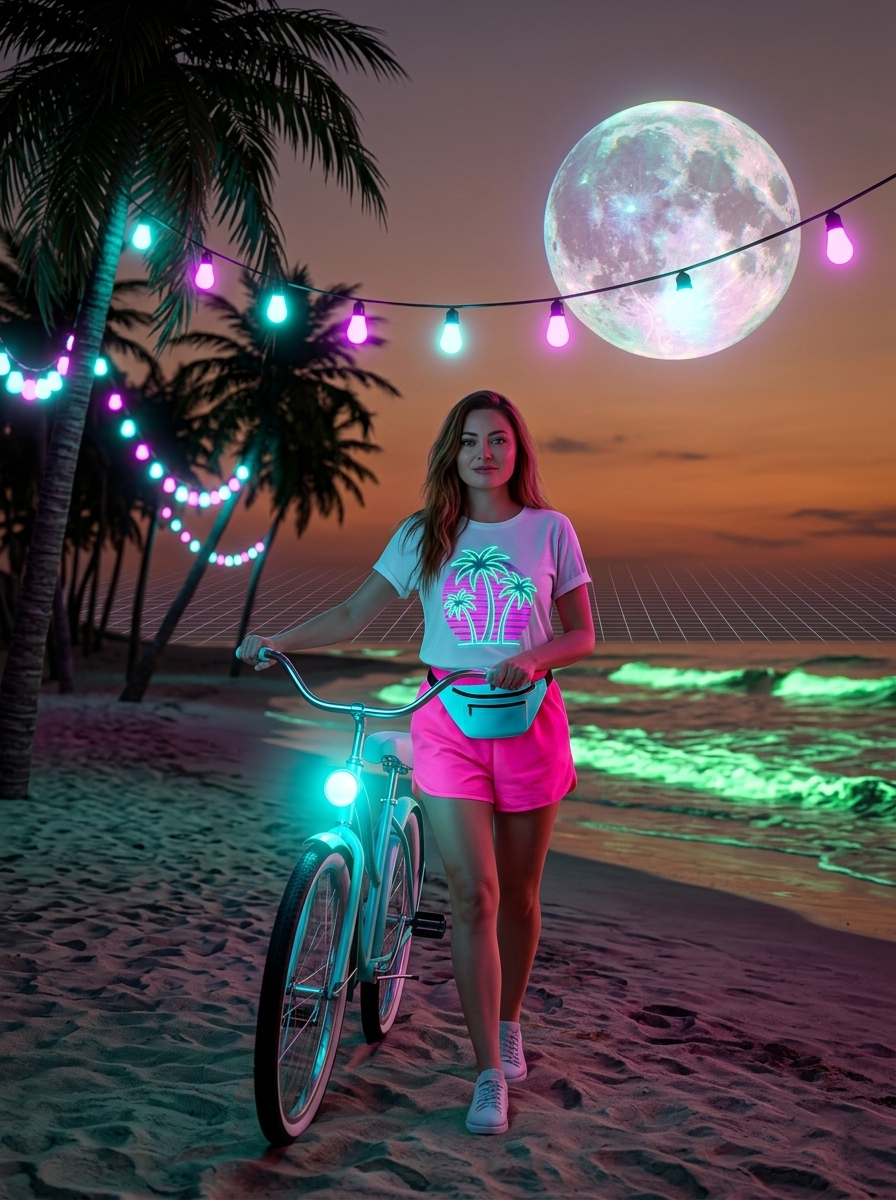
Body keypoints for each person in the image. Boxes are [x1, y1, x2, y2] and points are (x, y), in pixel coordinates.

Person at [239, 390, 595, 1134]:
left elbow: (581, 634)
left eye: (498, 440)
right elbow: (351, 612)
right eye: (470, 441)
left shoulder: (550, 530)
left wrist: (531, 658)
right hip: (443, 721)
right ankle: (488, 1073)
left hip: (531, 723)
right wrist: (280, 639)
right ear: (452, 453)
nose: (484, 453)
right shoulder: (423, 533)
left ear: (517, 451)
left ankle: (509, 1022)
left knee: (521, 899)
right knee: (474, 896)